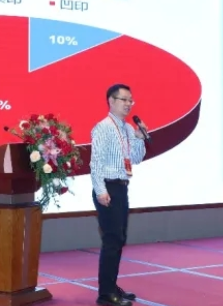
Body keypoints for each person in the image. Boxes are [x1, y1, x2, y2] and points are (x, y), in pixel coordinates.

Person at [90, 83, 148, 306]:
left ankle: (112, 286)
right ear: (111, 101)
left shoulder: (127, 129)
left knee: (119, 238)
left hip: (122, 187)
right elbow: (95, 162)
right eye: (124, 100)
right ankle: (105, 294)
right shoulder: (103, 127)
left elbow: (136, 159)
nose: (128, 104)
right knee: (112, 240)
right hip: (108, 187)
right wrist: (100, 191)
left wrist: (140, 137)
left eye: (130, 100)